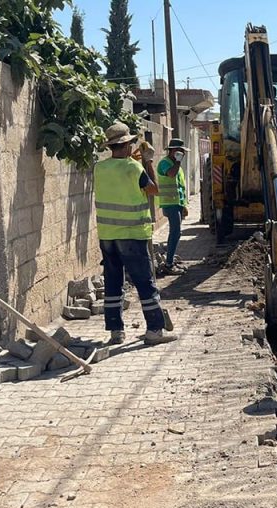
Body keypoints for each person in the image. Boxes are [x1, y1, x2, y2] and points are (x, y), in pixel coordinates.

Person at [94, 122, 178, 346]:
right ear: (126, 145)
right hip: (131, 234)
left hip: (107, 235)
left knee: (113, 282)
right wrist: (147, 161)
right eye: (131, 143)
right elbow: (153, 189)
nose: (132, 146)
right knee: (144, 282)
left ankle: (116, 332)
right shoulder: (133, 168)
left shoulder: (99, 168)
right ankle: (154, 331)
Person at [155, 138, 190, 276]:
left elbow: (180, 187)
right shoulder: (165, 163)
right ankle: (168, 264)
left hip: (177, 203)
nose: (182, 153)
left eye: (182, 151)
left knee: (176, 232)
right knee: (175, 232)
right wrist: (178, 161)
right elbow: (171, 174)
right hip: (170, 203)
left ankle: (170, 260)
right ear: (172, 151)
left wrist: (184, 205)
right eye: (179, 151)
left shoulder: (177, 165)